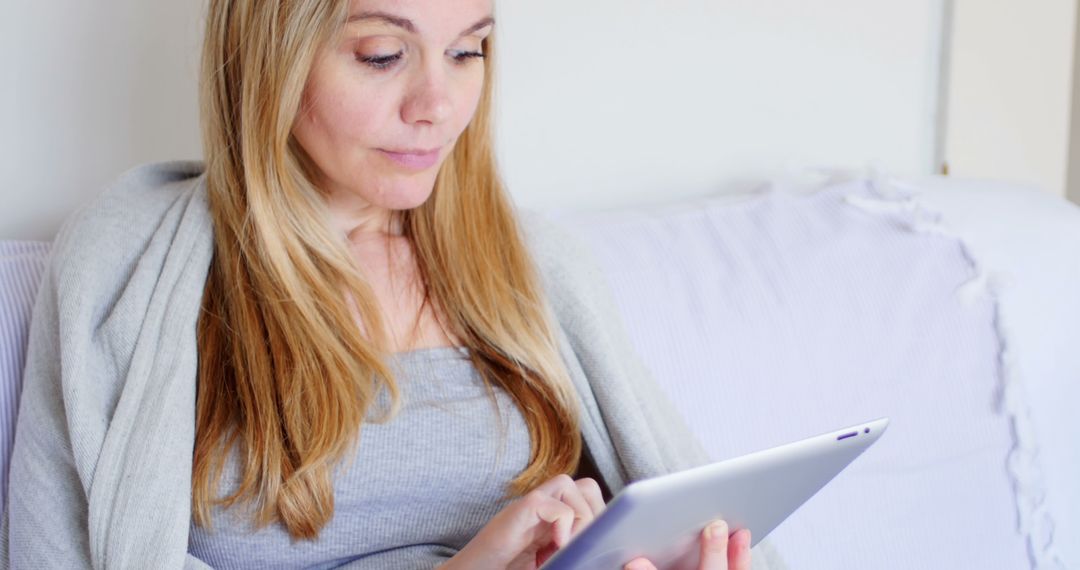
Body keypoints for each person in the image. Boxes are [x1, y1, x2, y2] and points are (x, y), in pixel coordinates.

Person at [2, 1, 786, 569]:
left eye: (468, 50)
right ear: (275, 53)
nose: (438, 107)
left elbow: (656, 491)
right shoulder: (130, 261)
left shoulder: (536, 266)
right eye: (383, 54)